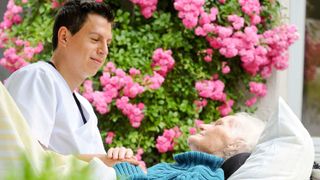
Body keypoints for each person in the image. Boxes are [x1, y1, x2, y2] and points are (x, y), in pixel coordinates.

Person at [5, 0, 137, 167]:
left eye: (107, 43)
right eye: (95, 39)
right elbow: (27, 156)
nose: (104, 50)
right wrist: (100, 162)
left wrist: (120, 161)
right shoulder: (38, 77)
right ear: (64, 37)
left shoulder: (84, 105)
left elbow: (98, 166)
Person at [112, 113, 266, 179]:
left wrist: (124, 165)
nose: (203, 126)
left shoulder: (203, 176)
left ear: (236, 144)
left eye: (218, 124)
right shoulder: (178, 168)